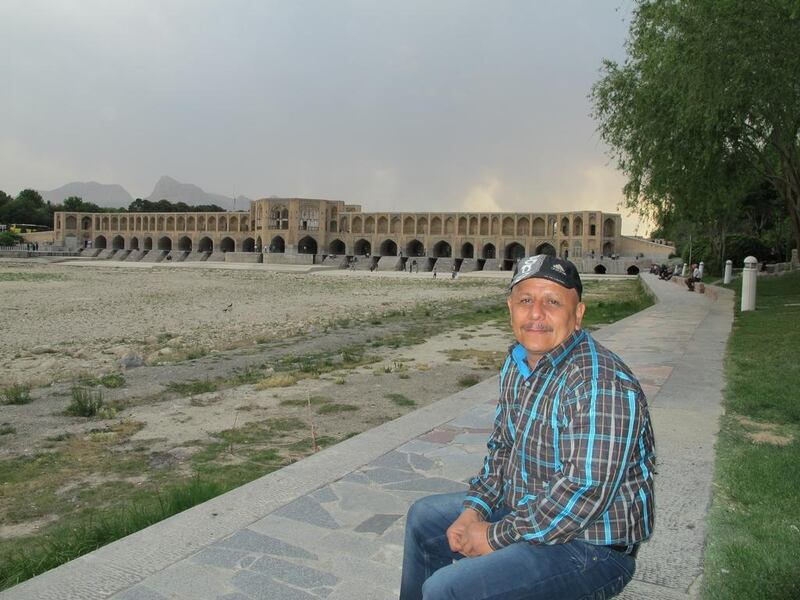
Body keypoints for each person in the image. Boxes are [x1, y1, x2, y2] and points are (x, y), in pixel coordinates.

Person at [400, 254, 656, 600]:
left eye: (552, 301)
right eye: (525, 300)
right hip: (530, 508)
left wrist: (492, 536)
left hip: (592, 546)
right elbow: (502, 447)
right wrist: (475, 509)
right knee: (424, 519)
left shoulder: (600, 384)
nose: (536, 314)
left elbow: (581, 495)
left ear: (578, 314)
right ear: (510, 309)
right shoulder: (519, 363)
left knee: (447, 590)